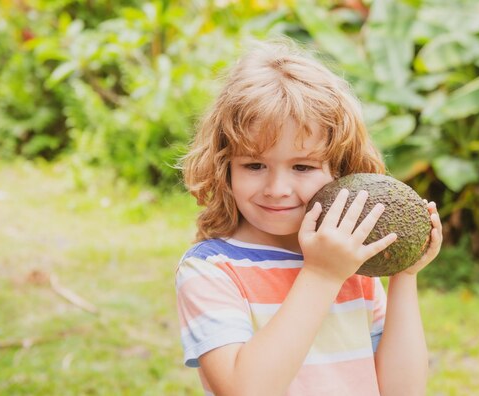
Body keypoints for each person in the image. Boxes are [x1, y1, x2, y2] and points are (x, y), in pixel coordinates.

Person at [176, 39, 443, 396]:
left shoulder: (353, 264)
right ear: (225, 168)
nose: (277, 188)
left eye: (302, 166)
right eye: (254, 165)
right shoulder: (211, 270)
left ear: (342, 171)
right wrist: (321, 274)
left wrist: (404, 275)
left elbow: (403, 390)